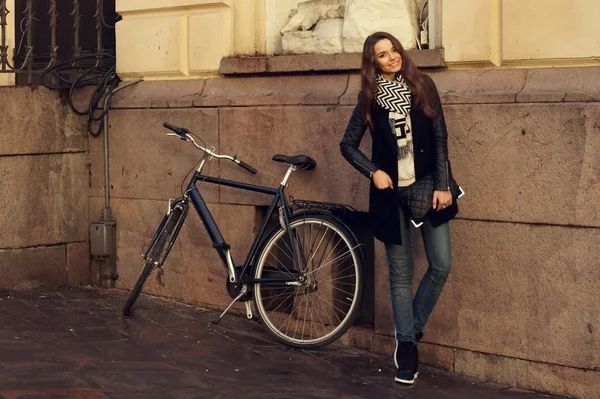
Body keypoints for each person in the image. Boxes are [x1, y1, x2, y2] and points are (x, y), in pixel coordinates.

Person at [339, 31, 457, 385]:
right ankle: (406, 347)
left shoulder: (423, 85)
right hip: (390, 196)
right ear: (372, 62)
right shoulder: (370, 98)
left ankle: (410, 329)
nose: (391, 57)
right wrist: (372, 171)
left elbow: (439, 136)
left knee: (441, 264)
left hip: (425, 189)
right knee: (400, 274)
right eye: (382, 54)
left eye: (393, 51)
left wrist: (442, 184)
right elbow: (347, 145)